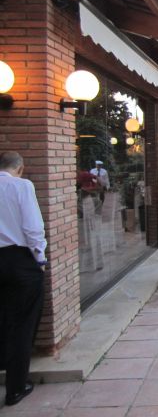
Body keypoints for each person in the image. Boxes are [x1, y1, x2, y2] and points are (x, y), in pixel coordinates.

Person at [0, 151, 47, 406]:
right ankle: (16, 387)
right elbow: (32, 227)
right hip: (18, 260)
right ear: (20, 167)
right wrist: (40, 259)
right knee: (22, 323)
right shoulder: (21, 186)